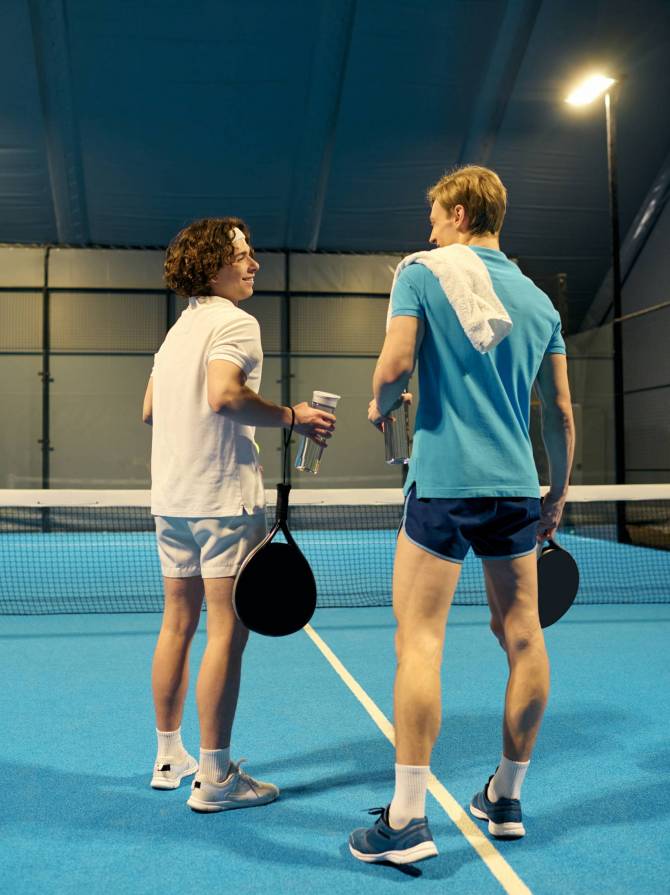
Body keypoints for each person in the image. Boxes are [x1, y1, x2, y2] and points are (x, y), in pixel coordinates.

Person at [349, 165, 574, 863]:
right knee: (525, 638)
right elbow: (560, 413)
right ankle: (504, 797)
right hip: (515, 489)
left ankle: (408, 819)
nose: (428, 230)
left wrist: (381, 404)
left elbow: (392, 368)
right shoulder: (539, 302)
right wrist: (556, 493)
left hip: (443, 484)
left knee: (419, 639)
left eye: (434, 216)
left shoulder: (421, 272)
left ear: (456, 210)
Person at [142, 218, 335, 812]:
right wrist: (292, 415)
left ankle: (170, 754)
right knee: (226, 630)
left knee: (178, 622)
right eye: (242, 257)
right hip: (222, 503)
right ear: (210, 268)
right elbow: (224, 396)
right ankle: (217, 778)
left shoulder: (178, 332)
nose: (253, 265)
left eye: (252, 255)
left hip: (172, 499)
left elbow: (150, 410)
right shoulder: (236, 322)